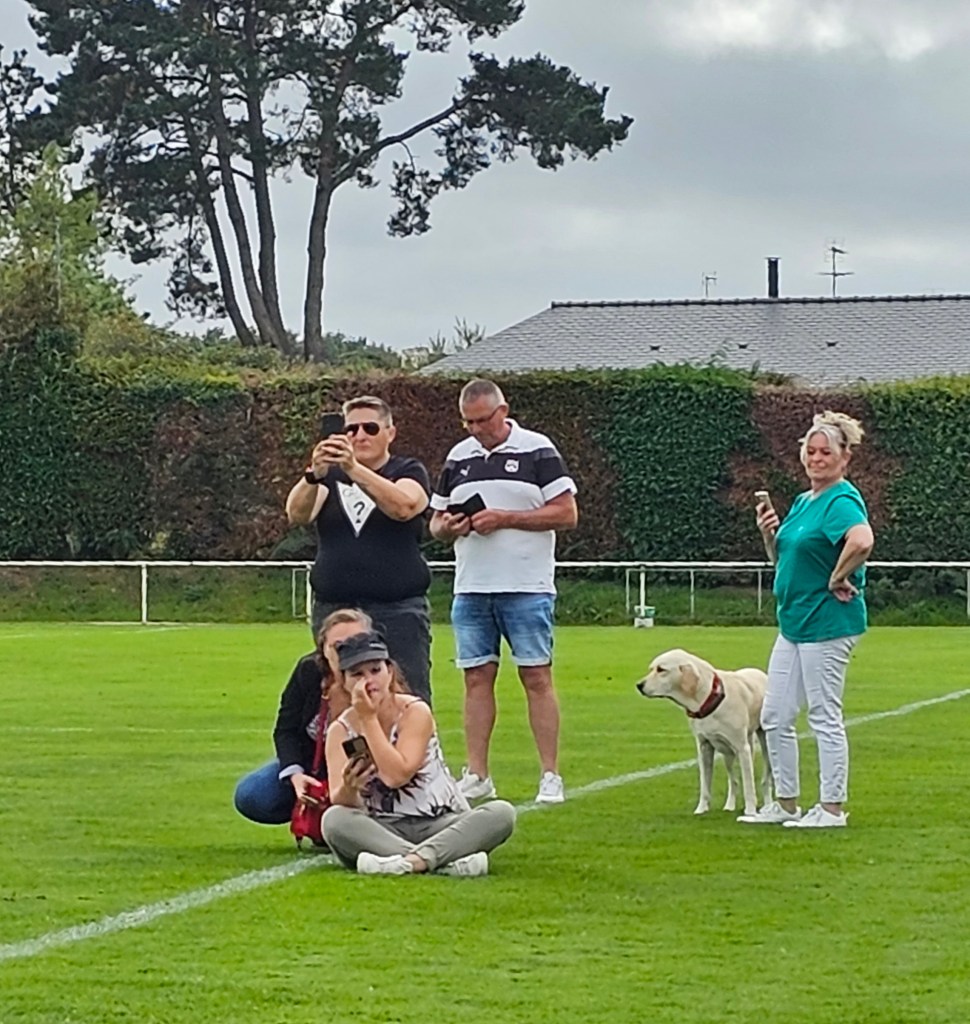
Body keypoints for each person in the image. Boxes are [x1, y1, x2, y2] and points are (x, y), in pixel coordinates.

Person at [429, 379, 578, 805]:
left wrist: (505, 518)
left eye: (483, 420)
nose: (476, 429)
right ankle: (478, 774)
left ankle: (550, 774)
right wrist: (449, 527)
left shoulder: (538, 449)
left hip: (526, 585)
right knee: (476, 678)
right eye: (468, 422)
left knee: (536, 676)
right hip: (472, 586)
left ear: (503, 411)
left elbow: (566, 513)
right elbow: (435, 522)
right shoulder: (458, 456)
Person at [739, 410, 874, 829]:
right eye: (811, 451)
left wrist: (838, 576)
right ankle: (786, 803)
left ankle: (831, 808)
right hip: (794, 621)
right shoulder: (803, 502)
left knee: (823, 714)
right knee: (775, 715)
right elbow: (784, 561)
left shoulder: (840, 500)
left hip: (826, 622)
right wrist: (769, 534)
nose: (816, 459)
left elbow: (862, 540)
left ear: (844, 457)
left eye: (825, 452)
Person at [321, 631, 516, 877]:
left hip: (439, 821)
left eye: (375, 670)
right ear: (344, 682)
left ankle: (408, 862)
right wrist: (350, 788)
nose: (369, 681)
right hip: (382, 826)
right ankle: (440, 860)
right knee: (334, 820)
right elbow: (340, 799)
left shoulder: (414, 711)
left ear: (389, 672)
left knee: (501, 813)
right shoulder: (340, 730)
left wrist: (368, 718)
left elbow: (397, 776)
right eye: (357, 674)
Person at [285, 395, 433, 704]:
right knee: (338, 694)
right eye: (351, 429)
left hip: (397, 608)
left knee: (407, 694)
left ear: (390, 433)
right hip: (335, 608)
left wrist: (354, 469)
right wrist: (313, 474)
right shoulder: (330, 477)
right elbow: (297, 514)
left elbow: (405, 507)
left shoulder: (408, 470)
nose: (360, 436)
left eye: (370, 428)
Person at [233, 608, 373, 827]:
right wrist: (295, 774)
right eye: (337, 646)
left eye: (355, 643)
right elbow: (286, 730)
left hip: (365, 768)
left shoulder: (378, 678)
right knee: (251, 795)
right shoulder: (308, 671)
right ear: (323, 649)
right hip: (312, 764)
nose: (346, 652)